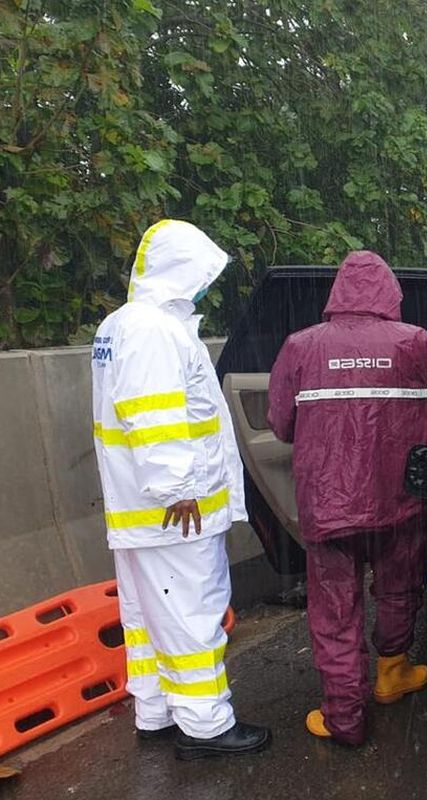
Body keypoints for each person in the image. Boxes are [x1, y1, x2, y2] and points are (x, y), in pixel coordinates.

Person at [267, 251, 427, 746]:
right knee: (398, 588)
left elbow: (280, 425)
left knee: (335, 610)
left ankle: (345, 718)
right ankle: (390, 675)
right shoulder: (412, 344)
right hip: (396, 500)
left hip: (328, 506)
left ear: (337, 295)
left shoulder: (300, 347)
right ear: (390, 295)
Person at [90, 219, 271, 759]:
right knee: (192, 613)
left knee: (147, 618)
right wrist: (177, 488)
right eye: (199, 274)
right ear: (178, 269)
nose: (203, 286)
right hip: (175, 512)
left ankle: (157, 711)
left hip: (142, 512)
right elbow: (155, 417)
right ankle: (207, 725)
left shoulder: (120, 325)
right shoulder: (153, 331)